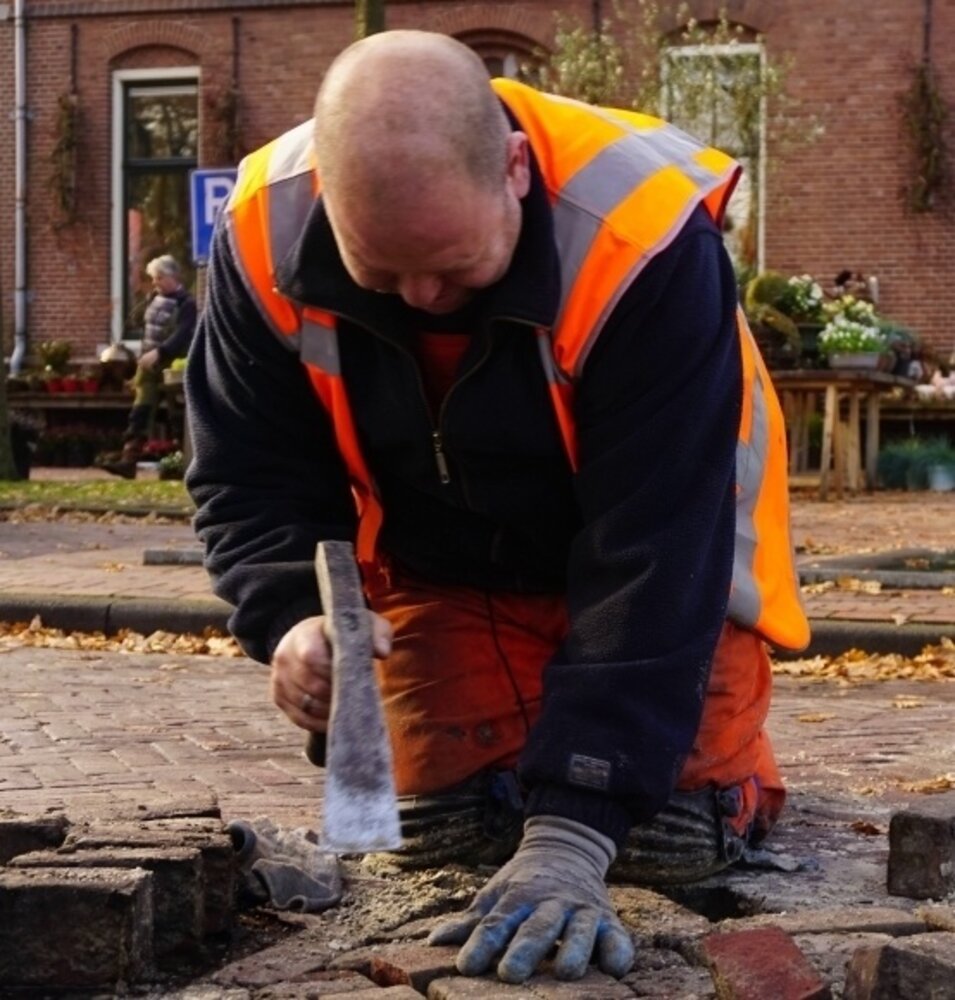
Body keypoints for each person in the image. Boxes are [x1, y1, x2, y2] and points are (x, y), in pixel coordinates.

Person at [186, 30, 810, 984]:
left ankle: (681, 784)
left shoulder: (641, 244)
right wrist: (287, 616)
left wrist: (572, 831)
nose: (424, 300)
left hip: (655, 584)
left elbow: (656, 542)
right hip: (444, 576)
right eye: (381, 276)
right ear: (330, 210)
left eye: (451, 267)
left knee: (665, 842)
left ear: (514, 170)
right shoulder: (262, 231)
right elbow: (249, 468)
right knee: (441, 836)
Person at [103, 254, 197, 478]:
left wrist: (160, 352)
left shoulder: (187, 303)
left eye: (159, 277)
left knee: (177, 415)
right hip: (148, 365)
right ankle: (129, 459)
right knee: (141, 411)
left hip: (173, 366)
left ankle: (179, 463)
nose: (155, 282)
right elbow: (143, 328)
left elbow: (182, 334)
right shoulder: (152, 298)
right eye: (153, 278)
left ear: (173, 276)